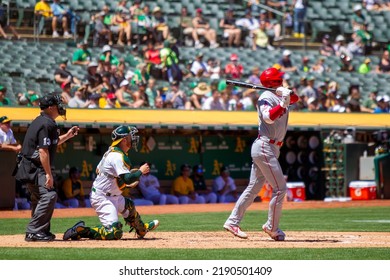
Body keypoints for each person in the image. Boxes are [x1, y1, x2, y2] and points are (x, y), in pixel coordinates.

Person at [223, 67, 299, 241]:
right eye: (279, 79)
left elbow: (295, 98)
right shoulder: (265, 97)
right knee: (280, 188)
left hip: (271, 148)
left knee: (254, 187)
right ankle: (272, 228)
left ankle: (232, 221)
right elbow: (268, 118)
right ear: (273, 82)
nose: (282, 80)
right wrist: (282, 102)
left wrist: (287, 94)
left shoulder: (278, 94)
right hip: (265, 146)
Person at [62, 125, 159, 241]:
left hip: (114, 196)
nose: (133, 139)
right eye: (130, 137)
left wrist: (125, 182)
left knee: (129, 206)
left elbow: (118, 179)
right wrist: (140, 172)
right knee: (114, 233)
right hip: (102, 197)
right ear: (124, 140)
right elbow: (127, 178)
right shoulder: (116, 156)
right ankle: (82, 231)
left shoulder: (114, 152)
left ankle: (142, 229)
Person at [14, 94, 79, 242]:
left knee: (39, 198)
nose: (60, 107)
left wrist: (67, 136)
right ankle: (33, 231)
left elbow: (51, 143)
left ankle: (40, 231)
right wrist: (48, 174)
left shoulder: (42, 121)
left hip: (28, 166)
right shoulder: (46, 123)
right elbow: (43, 151)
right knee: (49, 196)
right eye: (57, 104)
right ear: (50, 107)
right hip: (35, 167)